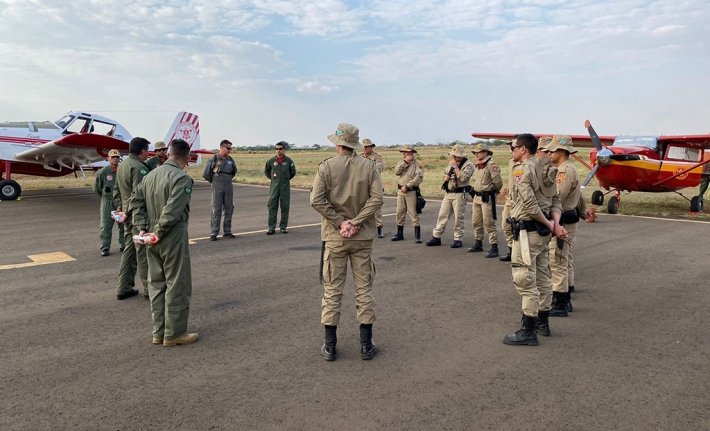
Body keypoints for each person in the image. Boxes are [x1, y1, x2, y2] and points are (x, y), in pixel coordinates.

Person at [310, 123, 383, 362]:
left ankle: (330, 346)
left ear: (338, 143)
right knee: (364, 290)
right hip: (362, 237)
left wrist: (340, 222)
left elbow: (316, 200)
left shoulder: (327, 166)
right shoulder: (370, 166)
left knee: (332, 290)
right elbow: (377, 199)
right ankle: (366, 345)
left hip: (335, 237)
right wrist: (357, 222)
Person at [129, 138, 198, 347]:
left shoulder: (149, 176)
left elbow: (135, 202)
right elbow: (172, 211)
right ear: (186, 157)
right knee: (177, 283)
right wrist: (158, 232)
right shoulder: (181, 178)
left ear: (168, 154)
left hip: (151, 236)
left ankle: (158, 332)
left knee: (157, 284)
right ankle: (174, 333)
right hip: (171, 235)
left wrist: (143, 228)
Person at [502, 133, 565, 346]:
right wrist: (555, 224)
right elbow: (555, 200)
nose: (512, 151)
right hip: (542, 234)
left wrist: (549, 224)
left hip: (528, 233)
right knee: (543, 277)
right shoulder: (545, 169)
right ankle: (542, 323)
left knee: (525, 279)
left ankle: (528, 330)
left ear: (523, 149)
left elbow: (529, 204)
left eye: (513, 147)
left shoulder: (523, 170)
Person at [547, 136, 584, 317]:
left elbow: (558, 197)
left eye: (552, 150)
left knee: (558, 260)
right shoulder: (567, 168)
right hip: (568, 217)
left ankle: (560, 303)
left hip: (563, 219)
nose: (549, 153)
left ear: (562, 152)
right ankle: (565, 299)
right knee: (564, 259)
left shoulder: (564, 171)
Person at [113, 137, 151, 300]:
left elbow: (116, 190)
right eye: (147, 150)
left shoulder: (123, 165)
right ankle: (150, 290)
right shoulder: (139, 168)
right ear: (142, 151)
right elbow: (138, 196)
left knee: (129, 251)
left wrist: (121, 210)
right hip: (136, 216)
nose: (148, 153)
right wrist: (130, 213)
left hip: (126, 215)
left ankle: (124, 287)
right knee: (143, 253)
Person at [425, 144, 474, 248]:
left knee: (458, 217)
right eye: (453, 155)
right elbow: (445, 174)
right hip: (449, 192)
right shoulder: (451, 163)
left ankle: (458, 238)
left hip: (460, 193)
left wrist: (455, 167)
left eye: (456, 156)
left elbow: (463, 178)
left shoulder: (468, 165)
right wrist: (446, 177)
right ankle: (436, 236)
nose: (454, 157)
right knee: (442, 214)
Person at [468, 143, 503, 257]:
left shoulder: (491, 165)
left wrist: (492, 193)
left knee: (489, 223)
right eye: (476, 153)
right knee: (476, 221)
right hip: (477, 197)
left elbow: (498, 183)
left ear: (486, 153)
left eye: (479, 152)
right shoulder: (479, 165)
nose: (477, 154)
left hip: (487, 198)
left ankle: (494, 246)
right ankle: (478, 242)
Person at [94, 149, 125, 256]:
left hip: (121, 201)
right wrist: (106, 197)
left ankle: (123, 245)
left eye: (117, 157)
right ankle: (105, 247)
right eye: (113, 157)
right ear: (108, 158)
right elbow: (97, 188)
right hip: (107, 202)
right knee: (106, 225)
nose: (115, 159)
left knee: (123, 225)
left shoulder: (122, 171)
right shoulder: (102, 172)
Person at [204, 140, 237, 241]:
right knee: (216, 209)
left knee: (229, 208)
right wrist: (214, 181)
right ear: (222, 148)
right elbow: (206, 174)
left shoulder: (230, 160)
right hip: (217, 186)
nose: (229, 150)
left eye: (230, 148)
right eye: (228, 148)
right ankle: (214, 232)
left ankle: (227, 231)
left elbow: (234, 171)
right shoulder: (213, 159)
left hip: (228, 186)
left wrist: (227, 179)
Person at [391, 145, 424, 243]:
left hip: (411, 192)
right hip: (401, 191)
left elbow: (419, 178)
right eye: (404, 152)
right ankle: (399, 234)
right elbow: (396, 172)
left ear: (412, 153)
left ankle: (417, 235)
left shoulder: (417, 164)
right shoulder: (401, 162)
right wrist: (404, 162)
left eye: (406, 152)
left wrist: (408, 186)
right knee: (400, 212)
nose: (404, 154)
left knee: (413, 213)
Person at [264, 141, 296, 234]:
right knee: (272, 206)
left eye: (280, 149)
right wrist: (274, 180)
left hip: (285, 187)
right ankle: (271, 227)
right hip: (274, 187)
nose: (278, 150)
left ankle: (283, 227)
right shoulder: (271, 161)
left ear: (283, 149)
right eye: (277, 149)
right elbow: (267, 171)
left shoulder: (289, 161)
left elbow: (293, 172)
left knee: (285, 206)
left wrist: (285, 179)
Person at [361, 138, 385, 238]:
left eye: (367, 147)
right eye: (364, 147)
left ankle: (379, 228)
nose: (365, 149)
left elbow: (378, 168)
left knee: (377, 208)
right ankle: (364, 228)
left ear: (371, 147)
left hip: (374, 185)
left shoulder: (377, 157)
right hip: (363, 186)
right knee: (362, 207)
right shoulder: (360, 157)